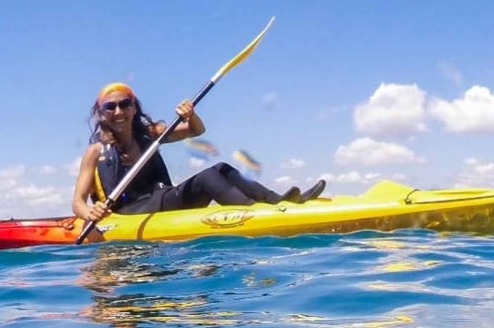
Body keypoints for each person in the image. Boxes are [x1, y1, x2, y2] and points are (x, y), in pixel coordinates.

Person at [72, 82, 323, 225]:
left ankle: (277, 201)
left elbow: (195, 130)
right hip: (130, 212)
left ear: (134, 107)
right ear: (102, 112)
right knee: (206, 179)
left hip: (161, 199)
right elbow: (78, 202)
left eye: (125, 104)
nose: (118, 111)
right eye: (110, 107)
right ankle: (258, 215)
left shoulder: (150, 133)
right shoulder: (95, 152)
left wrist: (190, 115)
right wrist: (89, 213)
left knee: (221, 169)